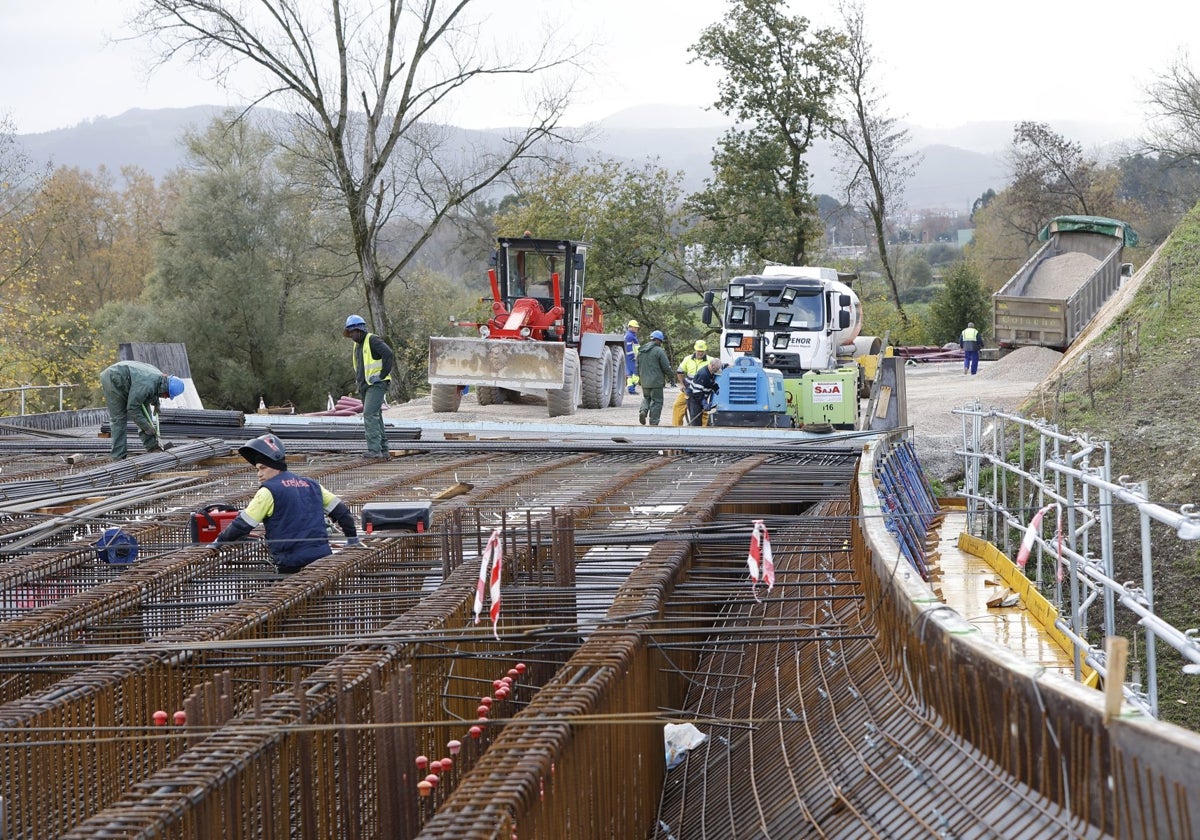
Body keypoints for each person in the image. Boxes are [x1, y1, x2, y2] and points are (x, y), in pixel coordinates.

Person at [214, 433, 360, 572]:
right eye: (257, 469)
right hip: (321, 561)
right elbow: (342, 513)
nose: (259, 474)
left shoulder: (268, 491)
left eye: (263, 468)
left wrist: (218, 543)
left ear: (275, 466)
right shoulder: (312, 485)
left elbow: (242, 525)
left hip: (291, 564)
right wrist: (352, 539)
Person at [99, 360, 185, 460]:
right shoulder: (146, 385)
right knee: (119, 419)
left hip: (131, 381)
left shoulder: (160, 379)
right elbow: (132, 408)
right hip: (114, 378)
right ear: (166, 391)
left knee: (145, 413)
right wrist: (146, 427)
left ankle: (153, 446)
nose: (166, 398)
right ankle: (118, 456)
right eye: (167, 396)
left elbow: (153, 389)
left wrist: (156, 404)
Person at [343, 314, 395, 458]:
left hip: (376, 385)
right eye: (350, 332)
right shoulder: (357, 345)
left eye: (353, 332)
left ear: (359, 330)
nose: (351, 335)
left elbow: (388, 354)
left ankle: (374, 450)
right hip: (365, 385)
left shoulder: (372, 340)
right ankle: (384, 450)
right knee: (376, 415)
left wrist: (382, 375)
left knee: (369, 414)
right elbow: (360, 366)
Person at [636, 330, 675, 426]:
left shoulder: (641, 351)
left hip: (644, 381)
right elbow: (666, 367)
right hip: (656, 382)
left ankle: (643, 411)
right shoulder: (659, 351)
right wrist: (671, 378)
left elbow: (637, 366)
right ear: (659, 340)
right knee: (657, 401)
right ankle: (653, 422)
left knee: (646, 398)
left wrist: (641, 378)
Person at [673, 340, 715, 426]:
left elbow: (718, 367)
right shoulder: (687, 359)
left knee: (703, 410)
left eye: (702, 351)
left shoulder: (710, 360)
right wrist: (682, 384)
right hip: (688, 389)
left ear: (705, 351)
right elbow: (679, 372)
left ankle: (703, 430)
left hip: (701, 392)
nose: (700, 353)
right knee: (678, 406)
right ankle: (676, 427)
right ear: (695, 350)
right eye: (699, 351)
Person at [687, 358, 723, 426]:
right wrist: (704, 403)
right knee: (696, 419)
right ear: (712, 366)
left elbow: (712, 383)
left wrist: (717, 391)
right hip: (694, 398)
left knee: (700, 418)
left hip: (700, 396)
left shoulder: (712, 371)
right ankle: (695, 433)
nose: (718, 370)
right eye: (717, 368)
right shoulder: (703, 374)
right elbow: (697, 392)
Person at [623, 320, 640, 394]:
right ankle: (632, 388)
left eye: (637, 327)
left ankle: (631, 389)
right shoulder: (630, 336)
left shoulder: (630, 335)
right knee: (636, 373)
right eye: (635, 327)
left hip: (630, 357)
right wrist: (633, 356)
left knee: (630, 374)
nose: (637, 329)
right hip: (632, 357)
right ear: (630, 327)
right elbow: (628, 347)